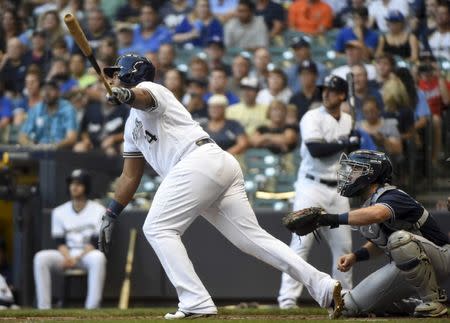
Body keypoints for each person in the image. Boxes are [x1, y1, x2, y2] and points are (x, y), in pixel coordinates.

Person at [99, 53, 344, 320]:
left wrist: (125, 95)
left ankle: (195, 301)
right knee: (253, 240)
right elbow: (130, 176)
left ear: (129, 74)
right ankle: (323, 285)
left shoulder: (153, 90)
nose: (110, 78)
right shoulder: (130, 126)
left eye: (115, 73)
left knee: (158, 227)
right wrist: (111, 212)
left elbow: (142, 97)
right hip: (211, 165)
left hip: (197, 160)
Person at [314, 149, 450, 317]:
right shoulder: (370, 203)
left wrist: (330, 219)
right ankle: (412, 305)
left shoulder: (392, 195)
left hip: (442, 256)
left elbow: (378, 214)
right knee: (349, 307)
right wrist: (355, 256)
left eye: (355, 169)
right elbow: (380, 242)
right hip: (409, 264)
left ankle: (434, 301)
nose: (349, 174)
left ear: (372, 173)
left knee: (400, 240)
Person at [278, 75, 356, 310]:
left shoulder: (348, 120)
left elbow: (348, 155)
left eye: (332, 91)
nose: (326, 93)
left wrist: (354, 141)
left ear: (342, 95)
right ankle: (287, 299)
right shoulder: (311, 116)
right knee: (301, 244)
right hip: (311, 187)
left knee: (344, 247)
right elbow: (316, 149)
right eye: (324, 89)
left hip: (339, 189)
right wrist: (347, 141)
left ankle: (346, 299)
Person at [33, 169, 106, 309]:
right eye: (72, 183)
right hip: (66, 254)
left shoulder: (98, 210)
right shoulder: (59, 211)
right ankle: (44, 308)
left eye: (79, 183)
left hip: (87, 254)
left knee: (98, 258)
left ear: (86, 186)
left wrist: (75, 259)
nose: (74, 187)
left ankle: (92, 308)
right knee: (41, 257)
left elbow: (95, 242)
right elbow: (59, 242)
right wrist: (68, 257)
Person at [18, 79, 78, 149]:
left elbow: (71, 138)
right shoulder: (36, 109)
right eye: (43, 90)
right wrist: (32, 146)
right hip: (39, 151)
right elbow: (22, 136)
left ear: (58, 92)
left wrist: (52, 147)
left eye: (51, 89)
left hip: (61, 151)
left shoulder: (68, 109)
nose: (46, 93)